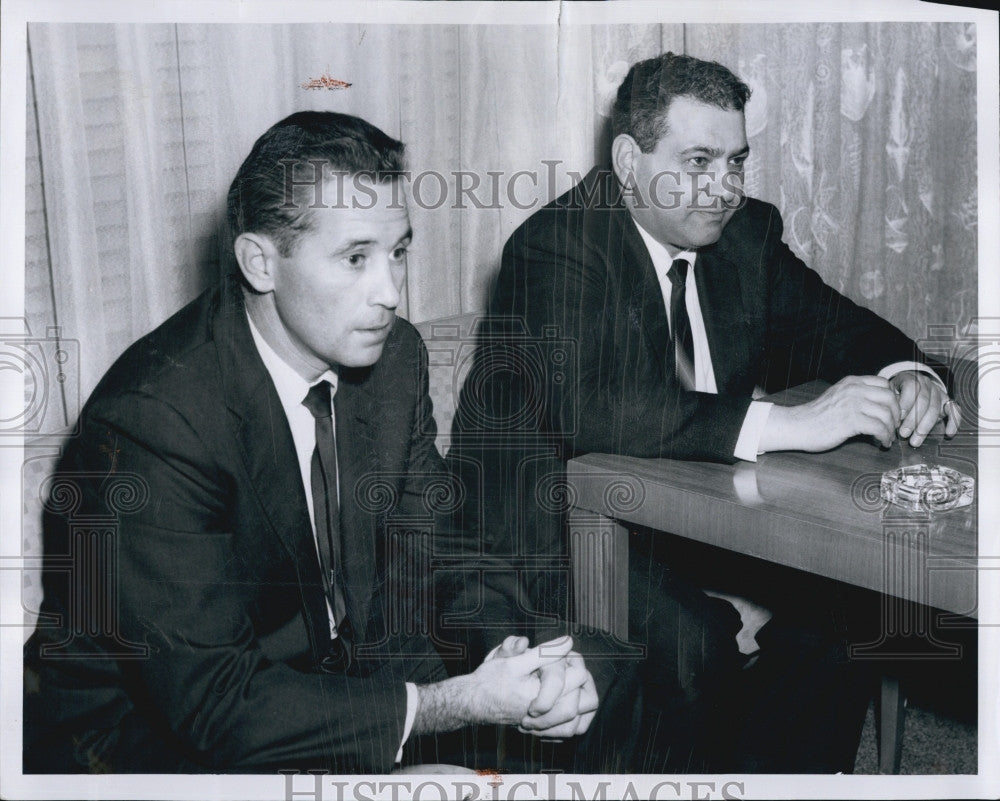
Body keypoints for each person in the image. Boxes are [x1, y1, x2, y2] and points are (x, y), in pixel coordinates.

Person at [22, 111, 638, 774]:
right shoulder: (153, 420)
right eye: (355, 259)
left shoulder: (393, 360)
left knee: (605, 666)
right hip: (155, 743)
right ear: (260, 262)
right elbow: (216, 705)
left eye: (398, 250)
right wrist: (442, 710)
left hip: (339, 677)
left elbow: (441, 547)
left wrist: (521, 657)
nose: (391, 292)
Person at [448, 52, 962, 772]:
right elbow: (596, 407)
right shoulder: (555, 245)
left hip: (694, 514)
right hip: (549, 531)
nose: (724, 188)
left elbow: (837, 326)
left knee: (852, 613)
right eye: (698, 161)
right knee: (691, 644)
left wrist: (911, 372)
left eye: (736, 161)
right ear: (630, 160)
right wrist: (795, 423)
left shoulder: (743, 236)